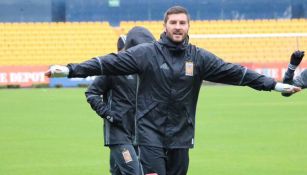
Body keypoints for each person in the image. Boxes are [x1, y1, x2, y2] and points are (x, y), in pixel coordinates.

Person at [45, 6, 301, 175]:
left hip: (181, 134)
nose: (178, 27)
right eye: (173, 22)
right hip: (149, 135)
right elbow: (107, 62)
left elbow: (238, 73)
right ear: (165, 26)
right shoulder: (146, 53)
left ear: (189, 26)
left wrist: (275, 84)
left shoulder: (199, 58)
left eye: (182, 23)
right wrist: (69, 70)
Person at [85, 27, 155, 175]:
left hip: (139, 133)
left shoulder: (142, 69)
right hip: (118, 134)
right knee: (134, 173)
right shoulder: (112, 68)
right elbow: (91, 93)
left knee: (117, 172)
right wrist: (109, 115)